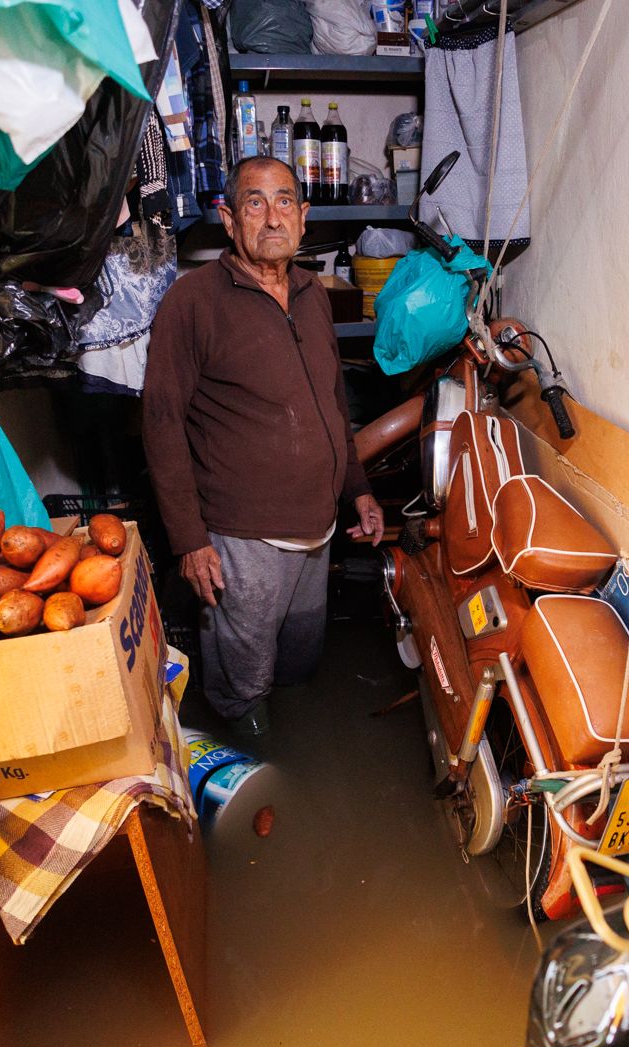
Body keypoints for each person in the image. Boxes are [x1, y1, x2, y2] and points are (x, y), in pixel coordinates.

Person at [144, 156, 384, 737]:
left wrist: (359, 492)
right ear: (229, 219)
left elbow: (331, 402)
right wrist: (190, 541)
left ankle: (302, 769)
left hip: (318, 534)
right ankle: (255, 789)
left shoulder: (312, 293)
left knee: (299, 667)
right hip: (242, 543)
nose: (271, 217)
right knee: (242, 687)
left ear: (304, 218)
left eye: (284, 202)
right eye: (255, 202)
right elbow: (161, 423)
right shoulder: (192, 301)